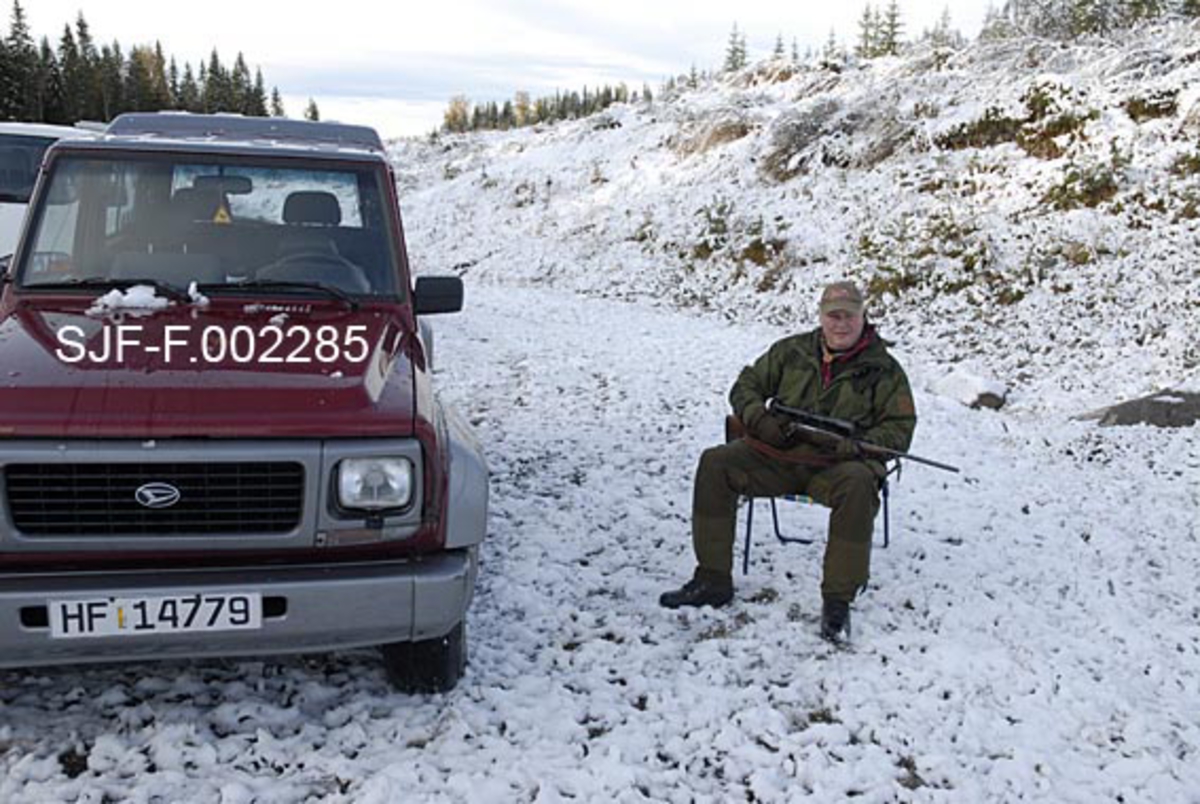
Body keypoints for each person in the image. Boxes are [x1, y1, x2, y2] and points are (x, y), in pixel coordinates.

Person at [659, 280, 917, 642]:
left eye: (849, 316)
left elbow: (900, 429)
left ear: (864, 317)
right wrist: (758, 419)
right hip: (779, 458)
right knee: (716, 464)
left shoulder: (885, 371)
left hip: (836, 469)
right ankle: (712, 580)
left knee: (859, 485)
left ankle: (837, 602)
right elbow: (745, 386)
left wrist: (856, 446)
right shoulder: (790, 351)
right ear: (821, 317)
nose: (841, 324)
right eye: (833, 316)